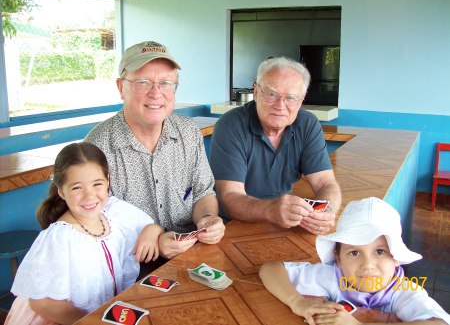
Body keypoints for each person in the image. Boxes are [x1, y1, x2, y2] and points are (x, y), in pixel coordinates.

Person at [84, 40, 225, 263]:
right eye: (143, 82)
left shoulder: (188, 132)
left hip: (193, 253)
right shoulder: (97, 147)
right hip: (130, 267)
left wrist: (208, 219)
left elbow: (202, 192)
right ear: (121, 88)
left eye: (166, 83)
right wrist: (155, 240)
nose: (156, 93)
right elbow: (91, 223)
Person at [5, 142, 164, 325]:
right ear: (61, 191)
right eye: (76, 188)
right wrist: (92, 322)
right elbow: (42, 302)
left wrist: (154, 229)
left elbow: (149, 225)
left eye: (97, 184)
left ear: (108, 182)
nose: (89, 196)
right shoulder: (59, 238)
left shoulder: (114, 211)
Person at [259, 197, 450, 325]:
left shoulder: (402, 291)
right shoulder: (332, 276)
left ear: (396, 258)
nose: (368, 264)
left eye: (380, 251)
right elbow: (270, 269)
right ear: (338, 258)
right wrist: (297, 302)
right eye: (354, 253)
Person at [210, 56, 341, 234]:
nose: (280, 105)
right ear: (256, 92)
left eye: (291, 97)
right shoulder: (231, 125)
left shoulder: (308, 124)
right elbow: (230, 197)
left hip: (282, 220)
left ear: (301, 100)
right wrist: (270, 209)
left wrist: (327, 211)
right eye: (271, 94)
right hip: (233, 224)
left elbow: (326, 183)